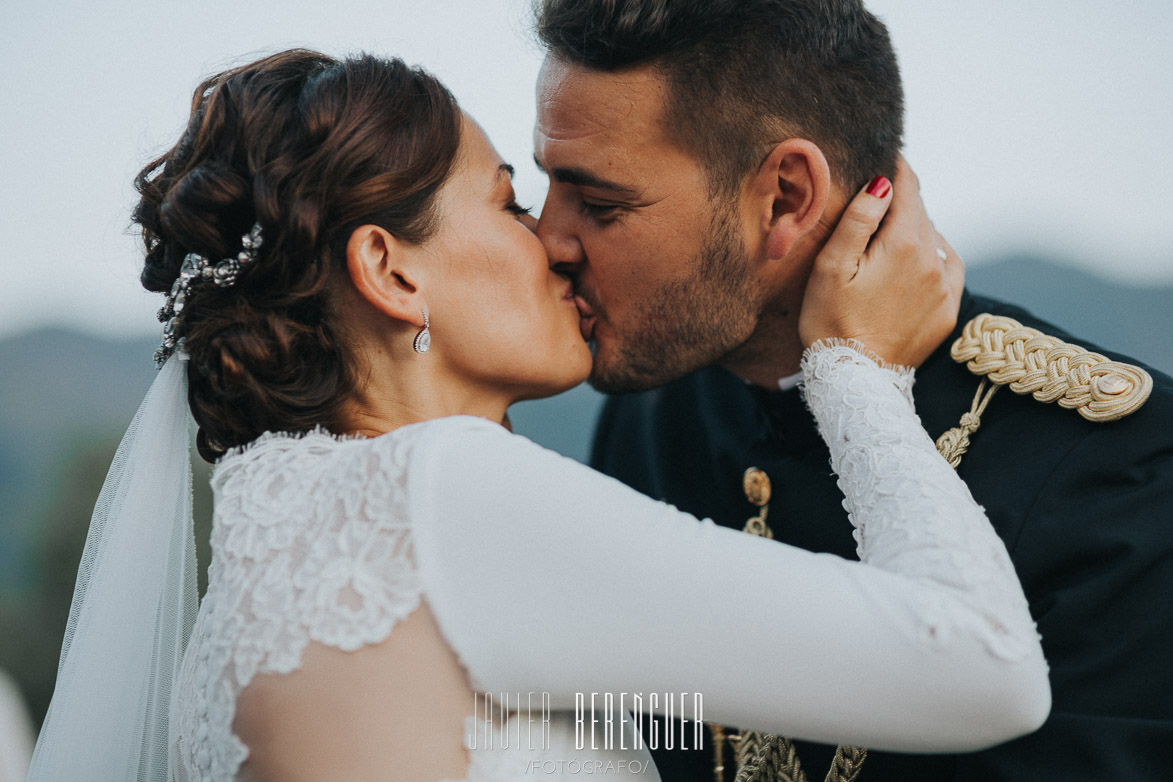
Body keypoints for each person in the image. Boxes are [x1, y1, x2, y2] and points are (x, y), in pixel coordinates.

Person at [25, 50, 1050, 782]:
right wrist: (851, 366)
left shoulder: (261, 565)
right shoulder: (439, 494)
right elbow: (988, 668)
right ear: (388, 270)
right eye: (511, 203)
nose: (555, 242)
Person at [531, 0, 1173, 779]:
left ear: (786, 197)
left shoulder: (1128, 471)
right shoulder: (655, 409)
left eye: (598, 204)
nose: (547, 240)